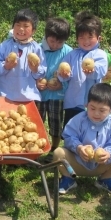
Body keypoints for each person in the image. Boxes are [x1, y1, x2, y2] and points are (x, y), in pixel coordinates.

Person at [53, 83, 111, 195]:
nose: (96, 113)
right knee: (58, 153)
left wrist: (108, 154)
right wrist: (79, 147)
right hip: (77, 163)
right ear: (86, 105)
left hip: (101, 166)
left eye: (102, 110)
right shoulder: (78, 119)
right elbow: (68, 137)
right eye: (92, 108)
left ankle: (104, 179)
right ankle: (68, 178)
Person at [59, 12, 108, 127]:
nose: (86, 41)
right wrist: (64, 75)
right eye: (82, 37)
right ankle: (70, 145)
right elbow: (63, 70)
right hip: (73, 101)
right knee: (71, 128)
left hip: (91, 103)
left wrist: (93, 71)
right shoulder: (72, 54)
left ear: (99, 38)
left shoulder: (100, 54)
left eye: (90, 37)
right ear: (77, 39)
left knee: (88, 128)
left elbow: (101, 71)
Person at [36, 17, 72, 150]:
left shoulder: (68, 52)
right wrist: (36, 83)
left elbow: (71, 75)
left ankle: (54, 149)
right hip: (39, 95)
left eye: (60, 42)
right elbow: (29, 70)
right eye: (52, 41)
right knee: (37, 122)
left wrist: (61, 84)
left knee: (56, 123)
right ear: (46, 36)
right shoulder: (37, 49)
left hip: (57, 95)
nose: (55, 44)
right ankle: (36, 147)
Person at [0, 8, 46, 102]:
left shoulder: (36, 48)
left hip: (28, 96)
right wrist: (6, 66)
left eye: (26, 26)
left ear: (33, 30)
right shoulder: (4, 46)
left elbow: (42, 71)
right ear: (13, 27)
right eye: (18, 25)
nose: (21, 29)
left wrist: (35, 69)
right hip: (5, 95)